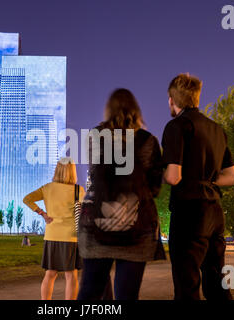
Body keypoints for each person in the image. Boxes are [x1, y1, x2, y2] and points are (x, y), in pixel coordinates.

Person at [77, 88, 165, 301]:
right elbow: (155, 188)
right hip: (137, 227)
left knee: (89, 292)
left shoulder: (95, 136)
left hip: (96, 226)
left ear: (108, 111)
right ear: (136, 111)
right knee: (128, 295)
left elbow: (95, 175)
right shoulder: (149, 141)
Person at [161, 74, 234, 300]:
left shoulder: (176, 127)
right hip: (214, 212)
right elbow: (232, 177)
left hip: (189, 212)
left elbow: (174, 177)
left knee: (187, 285)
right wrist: (207, 181)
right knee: (218, 284)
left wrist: (162, 171)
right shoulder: (217, 129)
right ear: (197, 97)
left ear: (171, 100)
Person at [23, 158, 85, 300]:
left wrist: (42, 213)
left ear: (57, 169)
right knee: (71, 275)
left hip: (51, 236)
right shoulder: (78, 190)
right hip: (70, 237)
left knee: (50, 273)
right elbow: (88, 209)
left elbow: (27, 199)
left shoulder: (47, 188)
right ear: (72, 171)